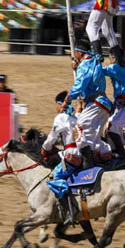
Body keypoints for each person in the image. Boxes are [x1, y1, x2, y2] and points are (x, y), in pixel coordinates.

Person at [65, 36, 113, 167]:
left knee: (78, 128)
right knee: (92, 138)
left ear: (80, 52)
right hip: (104, 105)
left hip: (96, 103)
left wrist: (68, 99)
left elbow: (80, 85)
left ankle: (88, 165)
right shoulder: (94, 61)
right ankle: (105, 159)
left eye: (75, 52)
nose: (74, 55)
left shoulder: (85, 65)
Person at [44, 90, 82, 225]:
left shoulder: (60, 118)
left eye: (56, 105)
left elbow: (51, 139)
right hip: (80, 153)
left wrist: (44, 149)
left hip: (70, 155)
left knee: (55, 177)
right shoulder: (76, 116)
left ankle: (69, 211)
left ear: (60, 104)